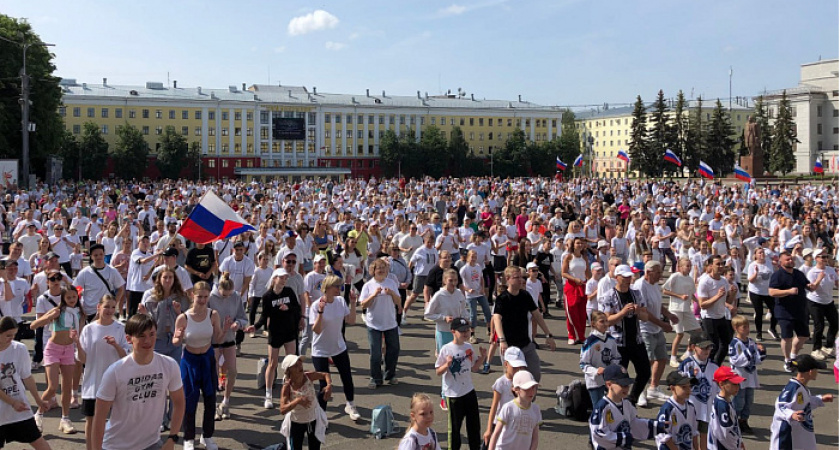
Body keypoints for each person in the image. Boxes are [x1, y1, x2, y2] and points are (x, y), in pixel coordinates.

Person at [91, 313, 185, 450]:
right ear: (129, 339)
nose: (148, 340)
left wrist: (172, 438)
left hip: (152, 444)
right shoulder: (115, 372)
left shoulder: (169, 365)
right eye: (142, 336)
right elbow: (99, 417)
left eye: (151, 334)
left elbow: (179, 403)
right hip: (116, 446)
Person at [172, 281, 226, 450]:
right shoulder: (184, 317)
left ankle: (207, 436)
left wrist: (226, 329)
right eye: (199, 297)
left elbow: (218, 339)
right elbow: (175, 342)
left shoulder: (213, 314)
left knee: (210, 399)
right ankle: (189, 438)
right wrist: (179, 336)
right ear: (192, 296)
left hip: (208, 359)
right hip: (189, 360)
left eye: (205, 296)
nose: (202, 300)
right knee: (190, 400)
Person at [76, 295, 130, 450]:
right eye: (107, 306)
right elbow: (82, 359)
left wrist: (116, 345)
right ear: (98, 307)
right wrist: (77, 345)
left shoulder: (120, 328)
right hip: (92, 382)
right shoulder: (89, 329)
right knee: (91, 420)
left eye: (113, 307)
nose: (110, 310)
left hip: (115, 384)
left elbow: (126, 356)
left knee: (115, 421)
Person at [30, 285, 85, 434]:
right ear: (63, 298)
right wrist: (48, 318)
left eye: (74, 297)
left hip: (68, 350)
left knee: (67, 387)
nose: (72, 300)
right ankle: (38, 415)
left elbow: (80, 333)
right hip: (53, 349)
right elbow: (33, 325)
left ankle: (65, 420)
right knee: (53, 387)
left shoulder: (79, 313)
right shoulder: (57, 311)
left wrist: (77, 340)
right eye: (69, 297)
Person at [309, 274, 360, 421]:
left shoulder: (340, 301)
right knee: (324, 383)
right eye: (337, 286)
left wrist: (352, 303)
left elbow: (351, 321)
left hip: (338, 346)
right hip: (320, 349)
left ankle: (350, 404)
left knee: (347, 377)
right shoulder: (316, 305)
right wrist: (320, 312)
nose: (340, 289)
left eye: (341, 286)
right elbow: (316, 330)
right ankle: (321, 415)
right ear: (327, 288)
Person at [493, 266, 556, 383]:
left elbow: (537, 315)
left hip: (526, 344)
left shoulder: (525, 295)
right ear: (508, 279)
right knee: (512, 380)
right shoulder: (502, 299)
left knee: (535, 376)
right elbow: (496, 318)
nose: (521, 280)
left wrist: (548, 335)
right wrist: (502, 340)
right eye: (517, 277)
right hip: (509, 347)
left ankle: (530, 400)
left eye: (521, 277)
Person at [598, 264, 650, 406]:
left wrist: (639, 311)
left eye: (629, 277)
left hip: (636, 340)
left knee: (645, 372)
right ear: (617, 278)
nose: (628, 280)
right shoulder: (608, 296)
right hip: (618, 342)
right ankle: (615, 403)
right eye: (624, 277)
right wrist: (622, 312)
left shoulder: (636, 293)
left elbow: (645, 317)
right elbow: (607, 320)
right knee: (618, 377)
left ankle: (632, 399)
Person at [253, 268, 303, 409]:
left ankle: (291, 391)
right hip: (275, 333)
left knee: (292, 363)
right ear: (274, 279)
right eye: (281, 277)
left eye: (285, 278)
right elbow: (264, 316)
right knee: (272, 363)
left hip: (289, 331)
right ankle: (268, 395)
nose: (284, 280)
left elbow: (296, 308)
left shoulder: (289, 292)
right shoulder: (268, 296)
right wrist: (255, 327)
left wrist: (288, 309)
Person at [0, 316, 51, 450]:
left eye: (14, 335)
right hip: (5, 408)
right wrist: (12, 403)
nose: (11, 339)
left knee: (38, 442)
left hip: (19, 407)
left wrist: (38, 400)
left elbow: (27, 377)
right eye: (8, 335)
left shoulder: (19, 349)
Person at [435, 318, 486, 448]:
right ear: (453, 331)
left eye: (467, 330)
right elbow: (438, 372)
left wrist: (483, 357)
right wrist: (447, 364)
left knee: (474, 425)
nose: (465, 333)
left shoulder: (468, 347)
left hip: (469, 391)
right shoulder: (446, 349)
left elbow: (474, 368)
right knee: (455, 428)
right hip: (453, 395)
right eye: (462, 331)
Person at [769, 251, 824, 372]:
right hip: (784, 311)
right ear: (781, 262)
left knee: (804, 335)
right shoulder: (778, 275)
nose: (790, 261)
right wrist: (788, 291)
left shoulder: (798, 273)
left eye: (791, 259)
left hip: (800, 310)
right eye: (787, 259)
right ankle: (787, 359)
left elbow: (809, 287)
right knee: (787, 337)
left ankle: (793, 355)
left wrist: (818, 280)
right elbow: (772, 292)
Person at [207, 274, 251, 419]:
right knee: (212, 373)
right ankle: (212, 405)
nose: (227, 297)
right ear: (219, 290)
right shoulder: (211, 298)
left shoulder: (236, 297)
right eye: (224, 295)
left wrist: (237, 324)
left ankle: (226, 402)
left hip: (229, 338)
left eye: (229, 294)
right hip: (213, 340)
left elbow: (244, 318)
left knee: (232, 371)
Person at [589, 364, 663, 450]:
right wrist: (623, 438)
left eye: (627, 384)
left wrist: (657, 426)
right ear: (609, 384)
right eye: (622, 385)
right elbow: (599, 435)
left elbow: (633, 423)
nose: (626, 388)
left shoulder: (627, 403)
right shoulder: (602, 407)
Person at [770, 354, 834, 450]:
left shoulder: (801, 387)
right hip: (787, 435)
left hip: (798, 433)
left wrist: (820, 399)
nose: (817, 372)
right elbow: (780, 406)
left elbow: (804, 402)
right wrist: (791, 414)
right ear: (810, 371)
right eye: (816, 369)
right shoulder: (793, 388)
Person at [359, 258, 402, 388]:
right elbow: (363, 305)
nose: (382, 270)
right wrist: (373, 295)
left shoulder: (391, 283)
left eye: (384, 268)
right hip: (374, 324)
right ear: (373, 271)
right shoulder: (368, 285)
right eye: (379, 268)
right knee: (376, 353)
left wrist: (392, 293)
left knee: (393, 350)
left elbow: (398, 301)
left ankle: (390, 375)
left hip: (390, 322)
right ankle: (375, 377)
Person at [279, 355, 329, 450]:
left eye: (300, 363)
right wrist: (298, 401)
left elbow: (325, 375)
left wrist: (329, 386)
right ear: (289, 371)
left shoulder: (308, 376)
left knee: (314, 447)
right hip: (296, 422)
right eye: (295, 366)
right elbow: (282, 409)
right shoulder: (287, 387)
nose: (300, 366)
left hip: (313, 419)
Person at [678, 335, 717, 450]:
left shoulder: (714, 366)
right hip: (692, 407)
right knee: (692, 433)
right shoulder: (687, 364)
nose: (707, 351)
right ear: (694, 347)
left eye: (709, 348)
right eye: (704, 348)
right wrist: (690, 377)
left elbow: (718, 386)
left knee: (705, 433)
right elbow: (678, 384)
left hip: (707, 407)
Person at [727, 314, 765, 434]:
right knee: (739, 401)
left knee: (749, 401)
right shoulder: (734, 343)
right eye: (744, 327)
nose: (747, 329)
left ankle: (743, 421)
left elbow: (756, 360)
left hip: (750, 377)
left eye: (748, 326)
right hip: (739, 377)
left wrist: (761, 353)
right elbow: (736, 360)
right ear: (736, 328)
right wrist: (750, 351)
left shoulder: (751, 342)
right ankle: (732, 420)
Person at [487, 370, 542, 450]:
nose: (532, 391)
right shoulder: (508, 407)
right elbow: (496, 433)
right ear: (516, 389)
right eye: (527, 388)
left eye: (533, 387)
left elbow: (535, 437)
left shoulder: (536, 409)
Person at [482, 347, 526, 446]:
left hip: (516, 423)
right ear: (506, 364)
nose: (518, 370)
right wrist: (489, 429)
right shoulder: (501, 383)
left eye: (520, 367)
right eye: (514, 367)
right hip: (500, 423)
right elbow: (494, 406)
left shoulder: (523, 380)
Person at [697, 256, 736, 367]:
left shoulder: (723, 281)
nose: (720, 266)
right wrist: (718, 296)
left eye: (722, 264)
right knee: (713, 347)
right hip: (709, 318)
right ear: (711, 266)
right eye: (717, 264)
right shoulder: (705, 282)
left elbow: (727, 301)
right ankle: (704, 368)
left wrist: (732, 294)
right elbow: (702, 305)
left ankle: (715, 366)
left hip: (721, 316)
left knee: (726, 344)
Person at [663, 257, 702, 367]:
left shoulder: (689, 279)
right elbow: (665, 290)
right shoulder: (675, 276)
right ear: (680, 267)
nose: (689, 268)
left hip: (686, 309)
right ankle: (673, 358)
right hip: (675, 308)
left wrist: (698, 302)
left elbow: (692, 294)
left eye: (690, 265)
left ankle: (688, 352)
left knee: (698, 331)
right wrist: (679, 296)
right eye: (687, 265)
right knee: (679, 334)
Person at [74, 243, 126, 323]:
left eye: (101, 254)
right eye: (95, 255)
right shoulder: (85, 272)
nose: (99, 257)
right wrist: (80, 307)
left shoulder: (112, 271)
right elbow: (76, 289)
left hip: (106, 311)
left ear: (104, 254)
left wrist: (113, 304)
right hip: (89, 311)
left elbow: (121, 288)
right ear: (91, 256)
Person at [580, 311, 621, 407]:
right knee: (599, 407)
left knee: (612, 405)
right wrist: (595, 371)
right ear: (593, 323)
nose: (605, 324)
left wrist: (613, 366)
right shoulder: (590, 342)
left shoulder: (611, 339)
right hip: (595, 381)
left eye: (606, 321)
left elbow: (616, 356)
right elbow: (583, 363)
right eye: (602, 321)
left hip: (609, 380)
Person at [805, 250, 838, 361]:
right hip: (815, 302)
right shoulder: (812, 272)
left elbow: (837, 283)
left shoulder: (831, 270)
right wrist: (819, 278)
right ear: (816, 259)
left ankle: (828, 347)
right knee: (819, 326)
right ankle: (816, 349)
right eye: (822, 257)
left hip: (828, 301)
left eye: (826, 256)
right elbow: (812, 288)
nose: (824, 259)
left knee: (835, 323)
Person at [655, 371, 700, 450]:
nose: (688, 389)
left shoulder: (691, 407)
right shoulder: (667, 409)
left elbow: (694, 432)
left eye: (689, 386)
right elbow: (665, 437)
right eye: (684, 387)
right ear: (672, 388)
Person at [561, 237, 591, 345]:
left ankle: (581, 336)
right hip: (571, 286)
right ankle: (572, 335)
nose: (580, 245)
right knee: (571, 312)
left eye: (582, 243)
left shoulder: (584, 257)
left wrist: (591, 282)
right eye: (578, 243)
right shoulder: (568, 257)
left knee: (582, 313)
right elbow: (563, 273)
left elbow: (588, 273)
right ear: (573, 245)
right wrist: (574, 279)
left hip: (582, 287)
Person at [707, 367, 744, 450]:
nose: (737, 387)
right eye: (734, 384)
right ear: (721, 384)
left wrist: (740, 441)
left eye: (738, 384)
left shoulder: (725, 400)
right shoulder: (722, 405)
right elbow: (726, 432)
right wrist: (736, 447)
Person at [746, 247, 777, 341]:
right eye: (759, 253)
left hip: (768, 291)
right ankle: (759, 332)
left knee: (775, 310)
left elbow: (774, 274)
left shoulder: (769, 263)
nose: (762, 254)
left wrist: (776, 266)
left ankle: (772, 328)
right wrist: (756, 273)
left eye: (763, 252)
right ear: (755, 255)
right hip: (756, 292)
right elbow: (750, 280)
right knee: (759, 313)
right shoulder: (752, 265)